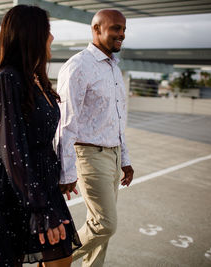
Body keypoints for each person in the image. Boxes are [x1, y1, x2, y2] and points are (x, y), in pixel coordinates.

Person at [0, 5, 81, 267]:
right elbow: (13, 149)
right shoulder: (7, 79)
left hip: (42, 187)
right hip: (9, 191)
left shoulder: (35, 78)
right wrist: (40, 209)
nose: (52, 38)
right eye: (48, 31)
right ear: (32, 35)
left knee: (62, 259)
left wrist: (60, 174)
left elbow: (44, 139)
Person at [55, 9, 134, 267]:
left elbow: (118, 119)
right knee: (105, 224)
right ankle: (54, 261)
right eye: (115, 28)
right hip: (89, 155)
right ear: (96, 29)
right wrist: (66, 173)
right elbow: (66, 122)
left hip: (112, 155)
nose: (121, 34)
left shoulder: (114, 69)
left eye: (123, 29)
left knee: (98, 227)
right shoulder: (78, 66)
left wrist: (124, 158)